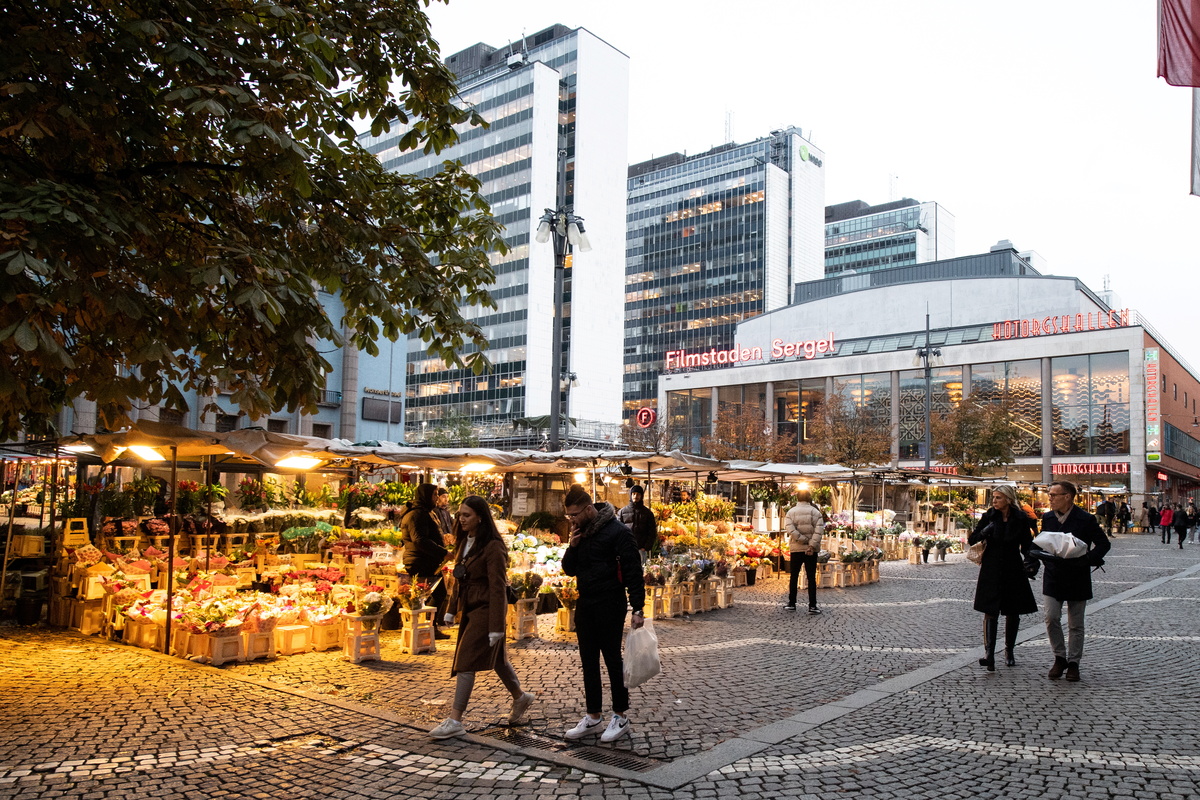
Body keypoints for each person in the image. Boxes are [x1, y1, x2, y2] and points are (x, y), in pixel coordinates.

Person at [429, 495, 535, 740]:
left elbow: (498, 587)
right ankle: (520, 697)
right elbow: (459, 578)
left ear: (480, 517)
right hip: (470, 607)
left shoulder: (493, 547)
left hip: (486, 609)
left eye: (467, 515)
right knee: (497, 659)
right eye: (460, 514)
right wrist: (451, 609)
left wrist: (496, 626)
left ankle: (455, 720)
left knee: (466, 661)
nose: (461, 519)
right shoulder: (464, 542)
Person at [560, 485, 645, 744]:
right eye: (568, 516)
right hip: (585, 603)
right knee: (588, 661)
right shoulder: (580, 533)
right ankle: (593, 715)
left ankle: (620, 715)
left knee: (612, 660)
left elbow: (633, 570)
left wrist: (638, 608)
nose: (572, 520)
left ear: (588, 510)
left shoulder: (618, 532)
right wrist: (572, 546)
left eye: (574, 515)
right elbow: (569, 569)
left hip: (610, 603)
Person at [1029, 480, 1110, 682]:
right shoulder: (1048, 517)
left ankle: (1073, 662)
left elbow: (1103, 544)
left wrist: (1087, 560)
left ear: (1067, 496)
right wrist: (1034, 558)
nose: (1050, 498)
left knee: (1076, 624)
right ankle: (1059, 657)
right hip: (1053, 575)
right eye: (1049, 494)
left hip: (1077, 576)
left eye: (1053, 495)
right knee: (1051, 617)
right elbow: (1042, 542)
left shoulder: (1086, 519)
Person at [969, 485, 1038, 670]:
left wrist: (1031, 562)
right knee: (990, 610)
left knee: (1012, 611)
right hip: (991, 567)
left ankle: (1009, 650)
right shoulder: (989, 516)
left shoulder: (1020, 518)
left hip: (1013, 567)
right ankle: (989, 654)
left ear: (1008, 499)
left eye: (998, 497)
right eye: (993, 497)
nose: (994, 501)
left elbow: (1027, 544)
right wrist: (985, 531)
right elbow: (972, 539)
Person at [401, 483, 451, 640]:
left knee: (433, 594)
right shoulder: (417, 514)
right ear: (425, 496)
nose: (437, 498)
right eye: (434, 494)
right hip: (421, 561)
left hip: (427, 561)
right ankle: (428, 628)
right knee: (434, 594)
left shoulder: (425, 512)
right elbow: (420, 540)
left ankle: (429, 627)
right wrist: (443, 552)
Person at [783, 489, 824, 613]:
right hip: (811, 550)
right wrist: (811, 545)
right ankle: (812, 605)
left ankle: (792, 603)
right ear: (809, 498)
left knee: (794, 576)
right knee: (811, 577)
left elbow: (790, 530)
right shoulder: (815, 512)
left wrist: (802, 539)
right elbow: (819, 531)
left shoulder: (791, 512)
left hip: (796, 549)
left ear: (797, 498)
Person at [617, 485, 658, 563]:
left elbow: (652, 531)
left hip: (641, 549)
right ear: (630, 495)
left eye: (638, 494)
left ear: (641, 496)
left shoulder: (647, 513)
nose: (636, 496)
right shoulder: (622, 512)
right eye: (634, 494)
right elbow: (618, 531)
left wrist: (646, 547)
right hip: (626, 548)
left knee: (641, 568)